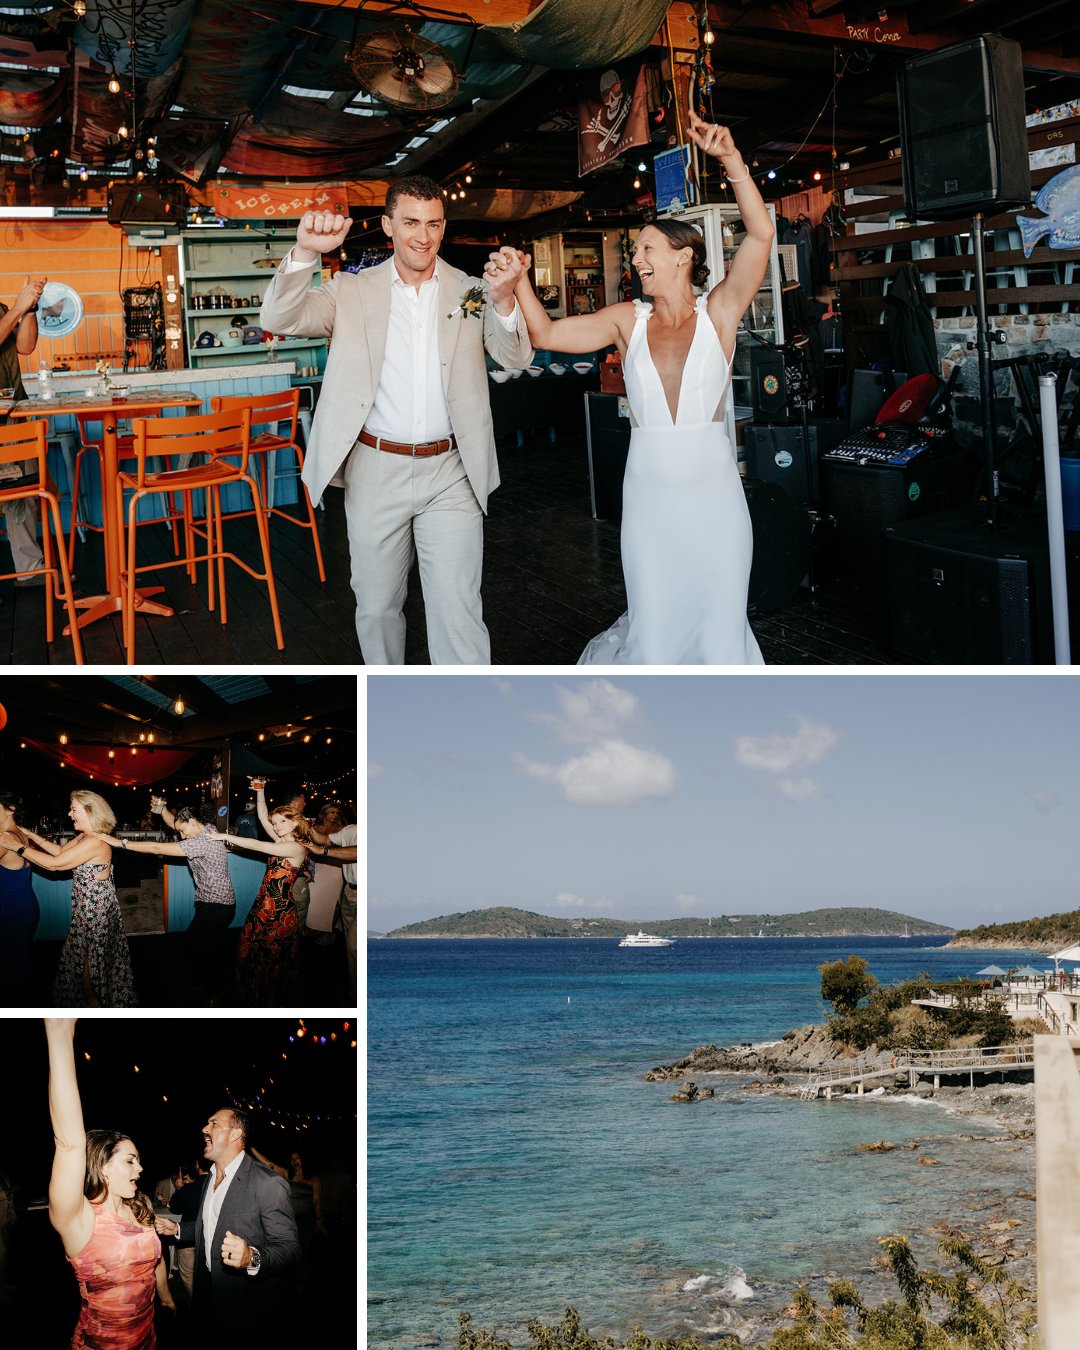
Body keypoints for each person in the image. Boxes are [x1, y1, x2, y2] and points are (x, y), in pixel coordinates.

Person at [512, 108, 773, 664]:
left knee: (721, 621)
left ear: (685, 256)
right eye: (635, 251)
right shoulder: (624, 320)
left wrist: (731, 160)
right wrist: (519, 284)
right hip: (650, 500)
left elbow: (761, 232)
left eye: (647, 249)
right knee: (654, 628)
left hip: (716, 501)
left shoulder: (721, 312)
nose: (637, 259)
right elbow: (546, 333)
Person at [259, 175, 534, 664]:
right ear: (388, 225)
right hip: (374, 469)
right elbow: (279, 320)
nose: (422, 236)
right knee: (379, 607)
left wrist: (508, 299)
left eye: (432, 224)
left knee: (459, 608)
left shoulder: (472, 290)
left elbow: (513, 358)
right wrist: (305, 253)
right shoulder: (349, 289)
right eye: (410, 222)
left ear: (444, 228)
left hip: (451, 472)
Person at [45, 1018, 175, 1348]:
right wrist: (60, 1033)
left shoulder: (141, 1205)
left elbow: (153, 1262)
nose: (141, 1167)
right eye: (130, 1160)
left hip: (148, 1337)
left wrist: (166, 1296)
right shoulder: (78, 1218)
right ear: (102, 1166)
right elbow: (70, 1143)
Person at [155, 1107, 299, 1349]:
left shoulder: (268, 1183)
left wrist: (251, 1258)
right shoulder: (210, 1178)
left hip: (247, 1306)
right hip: (207, 1298)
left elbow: (290, 1249)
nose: (204, 1129)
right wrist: (178, 1229)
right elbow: (211, 1225)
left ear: (235, 1134)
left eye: (213, 1123)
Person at [95, 797, 236, 1003]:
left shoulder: (202, 842)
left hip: (218, 905)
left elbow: (157, 849)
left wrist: (120, 842)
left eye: (182, 830)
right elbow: (174, 822)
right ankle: (212, 985)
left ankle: (210, 991)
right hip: (210, 901)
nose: (180, 835)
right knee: (205, 946)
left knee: (192, 947)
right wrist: (162, 810)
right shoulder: (206, 828)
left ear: (193, 822)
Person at [13, 790, 137, 1006]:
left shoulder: (96, 842)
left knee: (90, 961)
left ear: (89, 811)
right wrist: (32, 836)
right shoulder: (85, 837)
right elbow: (59, 853)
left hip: (95, 911)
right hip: (85, 908)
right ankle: (91, 1000)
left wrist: (18, 847)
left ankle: (95, 1003)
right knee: (85, 960)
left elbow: (54, 865)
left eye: (74, 809)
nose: (69, 814)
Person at [211, 783, 310, 1005]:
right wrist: (259, 791)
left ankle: (270, 998)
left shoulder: (296, 848)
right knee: (252, 947)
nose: (276, 826)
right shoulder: (281, 840)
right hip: (264, 903)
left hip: (280, 910)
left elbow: (256, 844)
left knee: (271, 955)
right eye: (275, 823)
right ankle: (252, 991)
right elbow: (263, 817)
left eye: (282, 822)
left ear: (295, 821)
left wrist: (225, 837)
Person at [0, 275, 47, 590]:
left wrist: (29, 309)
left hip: (16, 414)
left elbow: (26, 347)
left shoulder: (4, 310)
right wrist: (17, 308)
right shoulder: (8, 311)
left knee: (25, 493)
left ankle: (30, 570)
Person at [247, 1145, 322, 1292]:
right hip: (289, 1222)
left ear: (304, 1159)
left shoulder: (313, 1179)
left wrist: (319, 1221)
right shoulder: (286, 1174)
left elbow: (316, 1201)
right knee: (289, 1251)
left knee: (303, 1252)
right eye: (292, 1159)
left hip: (306, 1222)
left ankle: (302, 1286)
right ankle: (291, 1285)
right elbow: (268, 1163)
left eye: (297, 1158)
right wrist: (251, 1147)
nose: (295, 1161)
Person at [0, 787, 40, 1006]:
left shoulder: (7, 838)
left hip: (12, 909)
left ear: (10, 809)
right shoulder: (19, 833)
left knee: (12, 967)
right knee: (17, 962)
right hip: (21, 904)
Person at [304, 803, 347, 943]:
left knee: (332, 900)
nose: (334, 815)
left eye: (336, 812)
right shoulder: (315, 828)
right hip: (318, 865)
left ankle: (328, 931)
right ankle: (313, 927)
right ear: (324, 813)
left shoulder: (342, 829)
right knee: (314, 898)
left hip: (336, 868)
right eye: (331, 812)